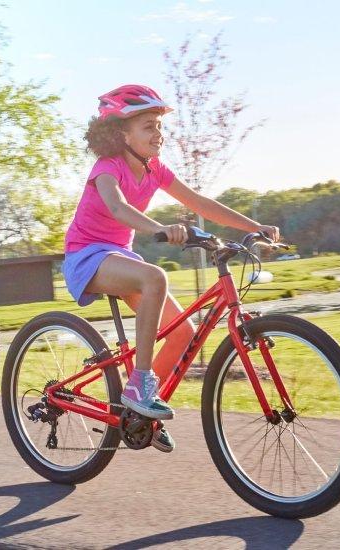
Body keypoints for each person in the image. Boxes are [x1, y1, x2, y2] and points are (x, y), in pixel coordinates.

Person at [63, 84, 280, 451]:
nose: (158, 134)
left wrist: (253, 226)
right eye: (148, 126)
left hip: (120, 257)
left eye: (159, 127)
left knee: (183, 333)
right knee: (155, 277)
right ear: (122, 134)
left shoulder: (155, 170)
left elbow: (199, 202)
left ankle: (139, 414)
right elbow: (117, 207)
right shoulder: (106, 168)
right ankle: (139, 384)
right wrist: (159, 229)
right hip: (86, 256)